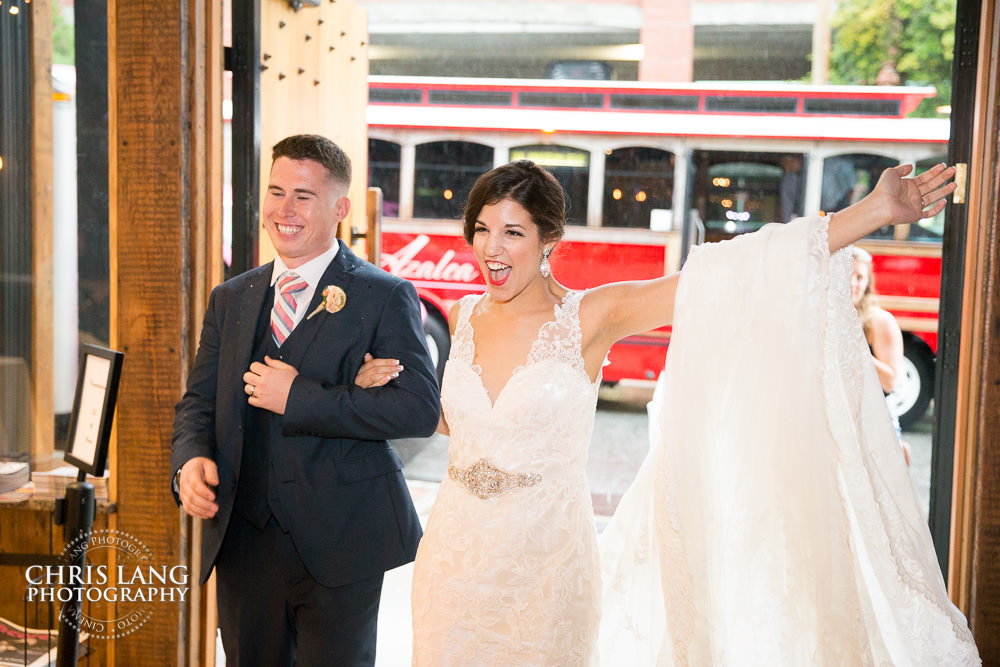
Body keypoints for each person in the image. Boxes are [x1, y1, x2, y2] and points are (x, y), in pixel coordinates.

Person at [358, 160, 979, 665]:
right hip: (454, 557)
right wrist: (394, 386)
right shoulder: (463, 317)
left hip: (545, 567)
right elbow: (456, 421)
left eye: (512, 232)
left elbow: (727, 276)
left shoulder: (591, 316)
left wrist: (872, 213)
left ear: (550, 241)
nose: (491, 249)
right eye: (483, 229)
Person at [170, 134, 440, 666]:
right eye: (275, 192)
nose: (282, 210)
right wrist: (189, 461)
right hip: (245, 542)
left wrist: (301, 397)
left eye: (302, 196)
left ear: (340, 208)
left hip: (342, 543)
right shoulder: (231, 298)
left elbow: (419, 410)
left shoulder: (384, 295)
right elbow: (198, 403)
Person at [852, 245, 911, 464]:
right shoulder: (821, 317)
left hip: (873, 420)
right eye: (848, 276)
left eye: (860, 277)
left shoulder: (880, 321)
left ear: (868, 283)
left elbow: (890, 381)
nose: (853, 284)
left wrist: (852, 342)